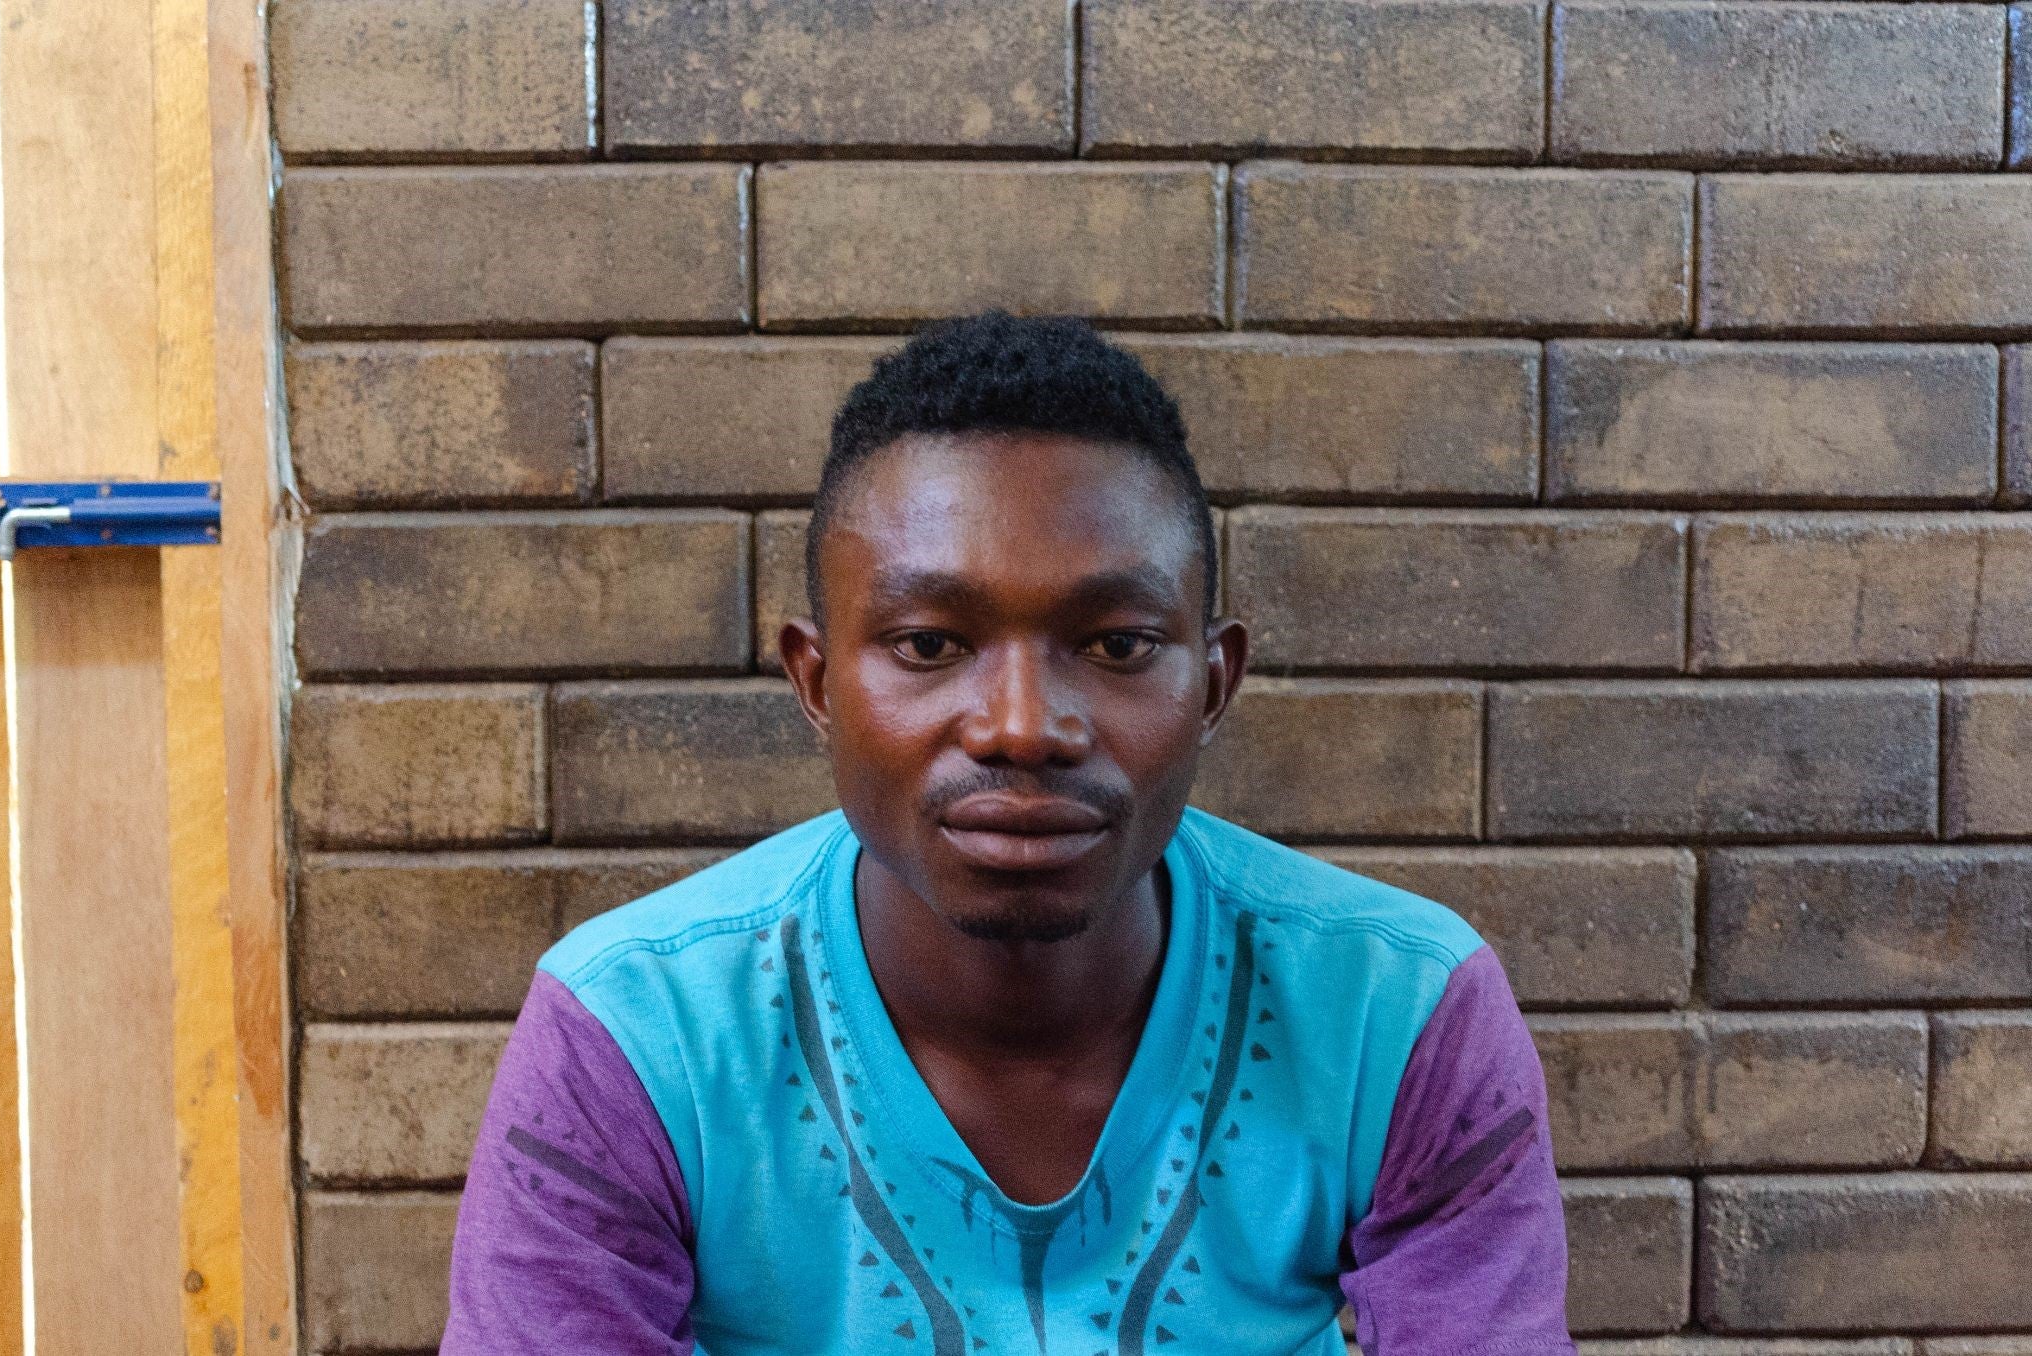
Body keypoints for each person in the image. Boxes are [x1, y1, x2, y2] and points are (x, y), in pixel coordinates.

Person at [441, 312, 1575, 1356]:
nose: (1023, 727)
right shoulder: (636, 1040)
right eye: (930, 644)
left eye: (1118, 644)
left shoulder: (1397, 1013)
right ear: (818, 680)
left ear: (1213, 683)